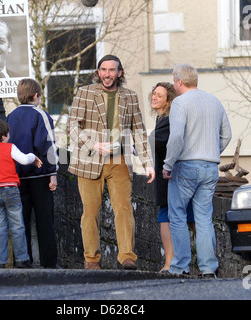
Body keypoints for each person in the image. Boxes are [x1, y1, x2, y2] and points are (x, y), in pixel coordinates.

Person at [67, 54, 155, 270]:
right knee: (90, 212)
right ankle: (92, 260)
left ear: (120, 73)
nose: (107, 74)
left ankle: (127, 257)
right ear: (98, 72)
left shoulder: (130, 96)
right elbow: (72, 126)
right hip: (89, 160)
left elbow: (139, 131)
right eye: (103, 70)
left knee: (124, 209)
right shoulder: (85, 93)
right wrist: (92, 145)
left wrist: (147, 162)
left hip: (119, 160)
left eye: (112, 70)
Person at [162, 64, 232, 277]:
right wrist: (212, 152)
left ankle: (180, 266)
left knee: (177, 215)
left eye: (174, 81)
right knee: (203, 217)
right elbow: (227, 135)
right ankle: (208, 268)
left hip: (185, 165)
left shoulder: (180, 103)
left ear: (179, 82)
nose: (174, 85)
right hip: (210, 166)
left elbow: (176, 137)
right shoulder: (215, 101)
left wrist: (167, 164)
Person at [7, 78, 59, 268]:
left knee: (22, 221)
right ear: (36, 96)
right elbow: (48, 146)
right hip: (39, 175)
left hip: (17, 176)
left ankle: (23, 260)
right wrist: (53, 173)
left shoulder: (10, 117)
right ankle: (50, 263)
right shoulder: (41, 115)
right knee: (45, 220)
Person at [0, 117, 42, 269]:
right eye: (8, 133)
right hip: (11, 190)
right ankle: (21, 259)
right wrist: (33, 157)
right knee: (17, 226)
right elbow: (23, 159)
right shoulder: (9, 147)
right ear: (3, 136)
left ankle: (0, 262)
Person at [149, 82, 195, 273]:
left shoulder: (169, 120)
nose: (154, 97)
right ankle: (171, 263)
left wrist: (127, 146)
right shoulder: (161, 119)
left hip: (173, 175)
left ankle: (172, 263)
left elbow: (154, 141)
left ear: (168, 101)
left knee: (183, 218)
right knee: (172, 217)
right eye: (153, 94)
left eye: (159, 95)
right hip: (167, 176)